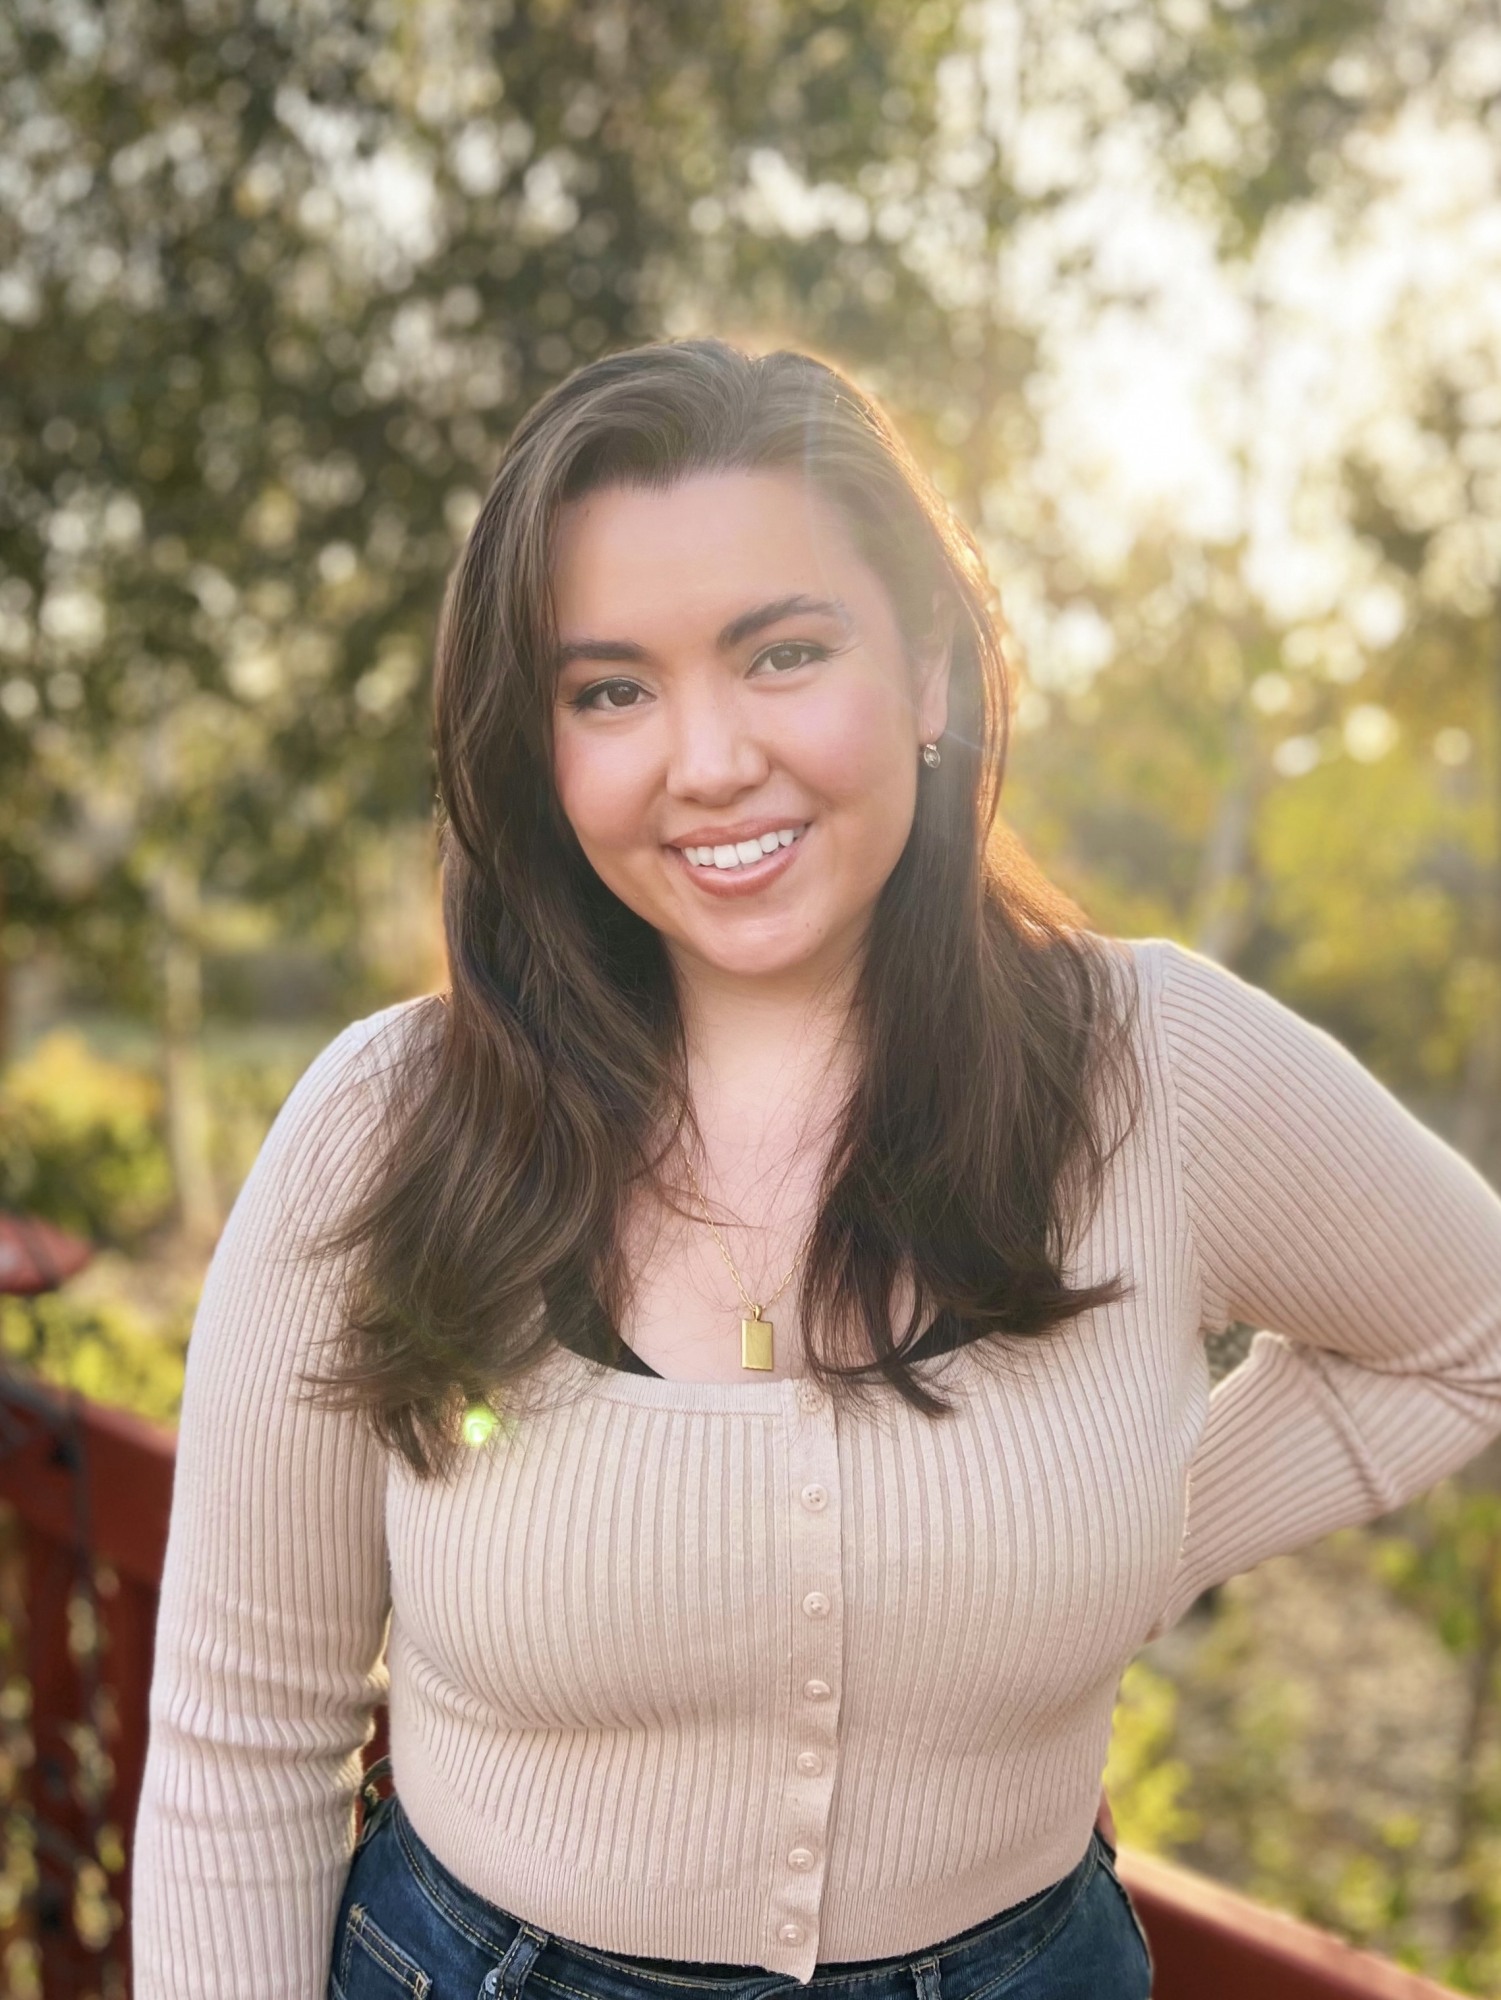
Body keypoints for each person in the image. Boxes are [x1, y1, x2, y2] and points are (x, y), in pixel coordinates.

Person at [131, 338, 1501, 2000]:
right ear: (537, 743)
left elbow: (1466, 1335)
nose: (705, 759)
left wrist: (1147, 1530)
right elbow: (243, 1740)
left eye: (781, 652)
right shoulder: (384, 1126)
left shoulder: (1153, 1066)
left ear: (926, 670)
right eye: (610, 689)